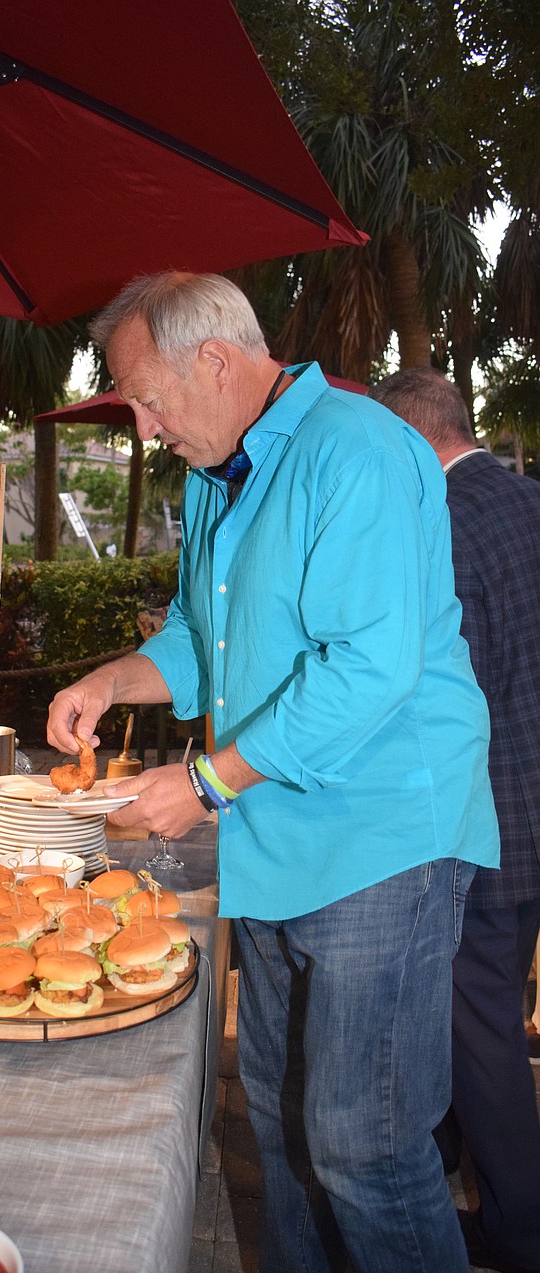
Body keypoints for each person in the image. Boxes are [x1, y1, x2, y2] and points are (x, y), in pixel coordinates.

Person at [47, 271, 499, 1273]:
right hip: (279, 843)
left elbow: (371, 665)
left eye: (146, 397)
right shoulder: (219, 479)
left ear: (214, 360)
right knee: (283, 1124)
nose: (143, 427)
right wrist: (112, 680)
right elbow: (207, 644)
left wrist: (205, 782)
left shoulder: (356, 448)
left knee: (365, 1144)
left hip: (381, 841)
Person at [370, 368, 540, 1273]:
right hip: (533, 815)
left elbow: (441, 694)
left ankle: (517, 1231)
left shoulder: (439, 520)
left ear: (407, 438)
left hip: (483, 824)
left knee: (482, 1039)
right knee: (482, 1020)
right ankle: (439, 1170)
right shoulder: (527, 499)